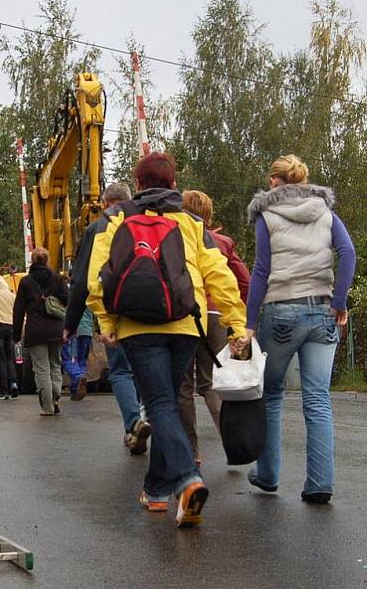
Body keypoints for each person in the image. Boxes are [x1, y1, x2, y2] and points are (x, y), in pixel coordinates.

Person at [87, 153, 247, 527]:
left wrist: (106, 320)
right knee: (168, 406)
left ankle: (186, 481)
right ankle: (156, 491)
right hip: (185, 325)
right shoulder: (192, 223)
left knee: (159, 404)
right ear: (174, 185)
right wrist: (236, 322)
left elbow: (99, 276)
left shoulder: (116, 219)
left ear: (138, 184)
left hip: (136, 326)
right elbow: (218, 275)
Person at [245, 155, 355, 505]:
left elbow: (261, 270)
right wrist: (339, 302)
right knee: (318, 398)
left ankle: (267, 474)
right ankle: (320, 483)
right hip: (323, 311)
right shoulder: (325, 212)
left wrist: (248, 324)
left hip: (281, 312)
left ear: (276, 181)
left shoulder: (266, 214)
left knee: (271, 394)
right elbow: (348, 252)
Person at [65, 182, 151, 454]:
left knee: (122, 369)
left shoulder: (98, 229)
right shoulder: (147, 222)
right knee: (145, 369)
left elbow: (81, 281)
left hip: (116, 311)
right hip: (154, 309)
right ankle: (146, 418)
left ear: (105, 204)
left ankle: (133, 423)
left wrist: (71, 322)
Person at [179, 190, 251, 465]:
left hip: (187, 313)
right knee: (212, 383)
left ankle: (192, 451)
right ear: (209, 214)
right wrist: (239, 317)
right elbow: (244, 281)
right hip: (218, 314)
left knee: (184, 386)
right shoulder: (222, 241)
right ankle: (233, 445)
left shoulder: (177, 235)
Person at [13, 247, 68, 416]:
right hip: (56, 329)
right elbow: (67, 299)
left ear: (33, 260)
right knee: (55, 365)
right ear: (47, 260)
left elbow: (19, 309)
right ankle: (55, 396)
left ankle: (48, 406)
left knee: (41, 369)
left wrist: (16, 335)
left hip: (36, 331)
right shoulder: (58, 279)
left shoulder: (26, 282)